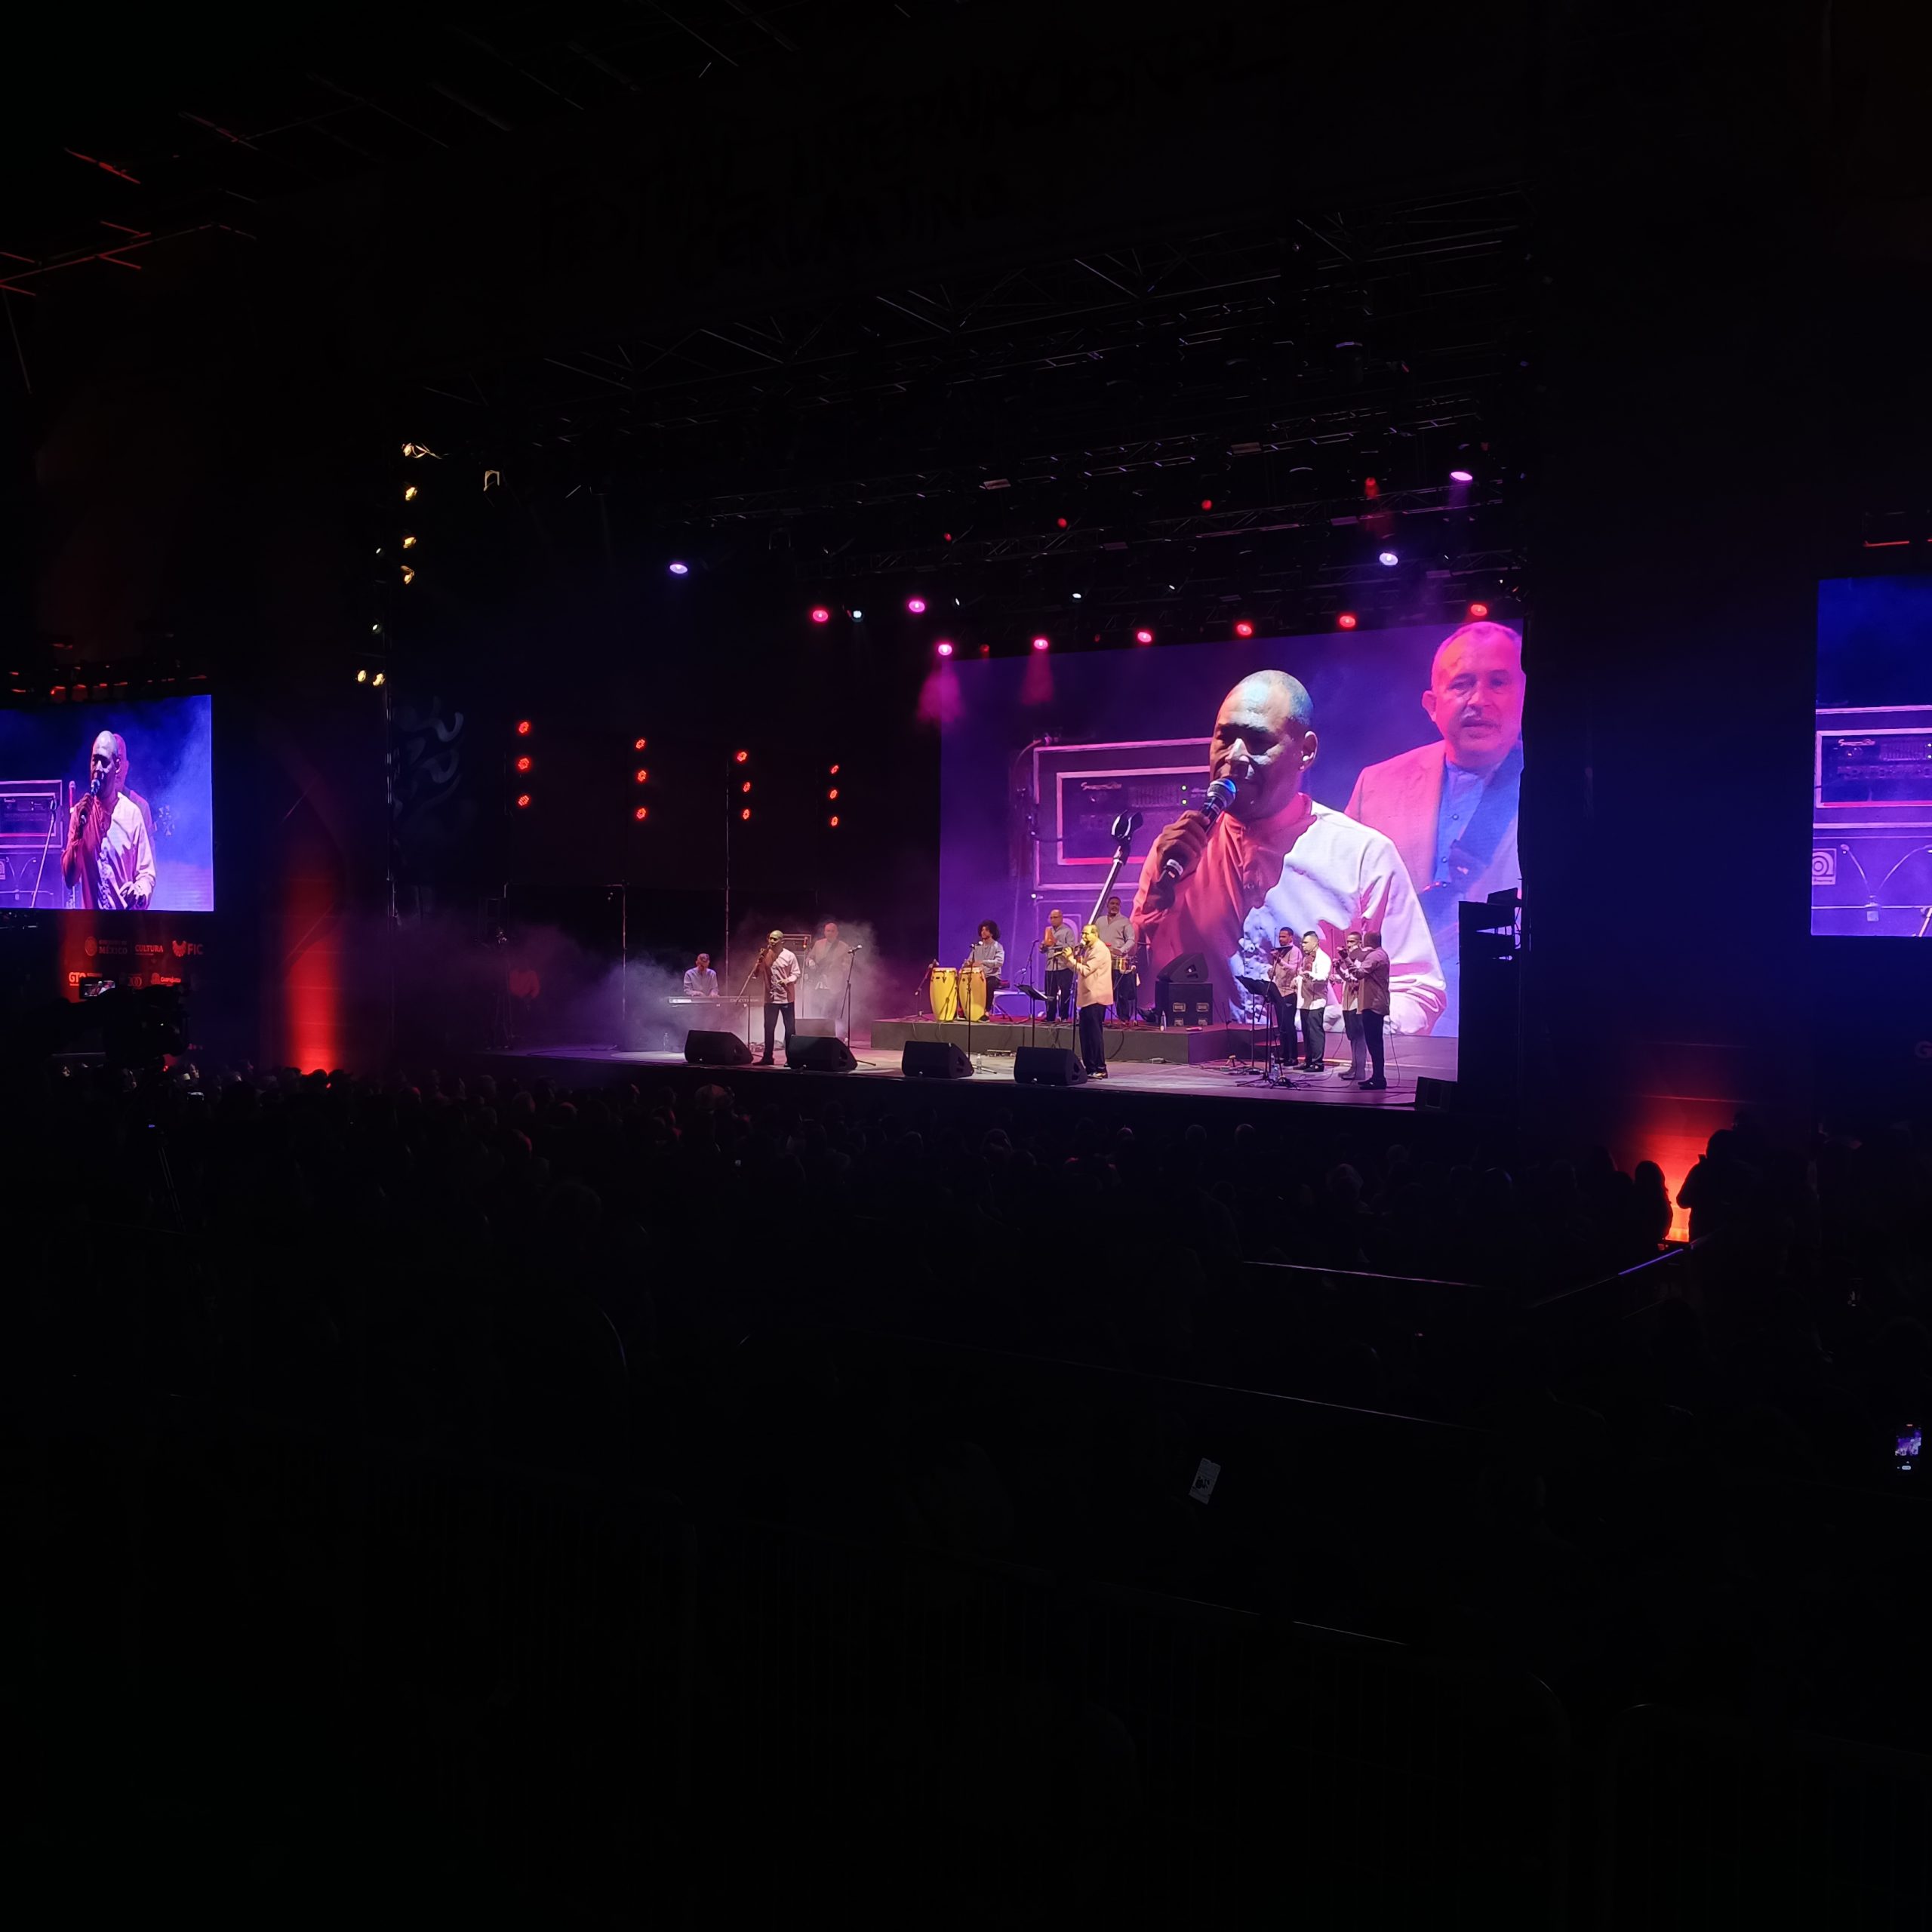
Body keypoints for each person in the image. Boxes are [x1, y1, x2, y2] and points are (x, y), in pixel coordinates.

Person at [1131, 671, 1444, 1035]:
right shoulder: (1178, 855)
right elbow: (1144, 996)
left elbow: (1417, 992)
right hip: (1204, 1080)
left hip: (1318, 1082)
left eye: (1257, 741)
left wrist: (1330, 1029)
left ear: (1306, 752)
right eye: (1225, 737)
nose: (1234, 756)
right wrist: (1158, 902)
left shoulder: (1362, 855)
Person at [1345, 621, 1524, 1026]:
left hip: (1508, 1007)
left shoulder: (1560, 783)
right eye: (1461, 684)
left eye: (1498, 682)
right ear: (1432, 704)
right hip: (1398, 1010)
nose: (1479, 700)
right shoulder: (1376, 784)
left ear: (1526, 694)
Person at [62, 729, 156, 912]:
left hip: (126, 927)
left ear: (118, 766)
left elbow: (147, 874)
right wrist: (78, 833)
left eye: (104, 762)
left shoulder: (132, 813)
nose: (97, 769)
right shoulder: (80, 814)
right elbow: (69, 879)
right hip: (91, 931)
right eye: (94, 760)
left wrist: (139, 891)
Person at [1337, 928, 1391, 1089]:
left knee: (1374, 1043)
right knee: (1373, 1043)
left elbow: (1359, 974)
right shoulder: (1377, 955)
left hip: (1373, 1004)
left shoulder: (1376, 956)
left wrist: (1346, 959)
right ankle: (1377, 1076)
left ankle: (1379, 1078)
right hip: (1370, 1003)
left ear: (1368, 942)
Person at [1073, 923, 1114, 1078]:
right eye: (1083, 934)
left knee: (1095, 1035)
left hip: (1096, 997)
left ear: (1095, 934)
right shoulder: (1089, 949)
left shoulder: (1100, 950)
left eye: (1086, 934)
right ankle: (1090, 1067)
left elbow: (1086, 970)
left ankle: (1100, 1068)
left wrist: (1070, 959)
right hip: (1087, 998)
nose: (1083, 937)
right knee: (1085, 1035)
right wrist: (1072, 959)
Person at [755, 929, 800, 1064]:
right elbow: (756, 974)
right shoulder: (765, 954)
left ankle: (791, 1058)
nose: (772, 941)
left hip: (786, 998)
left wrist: (787, 980)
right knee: (769, 1028)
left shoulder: (790, 956)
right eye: (770, 939)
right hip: (770, 998)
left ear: (782, 941)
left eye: (775, 939)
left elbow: (796, 974)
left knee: (790, 1029)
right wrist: (759, 961)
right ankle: (768, 1057)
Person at [1095, 894, 1138, 1022]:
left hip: (1118, 962)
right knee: (1102, 992)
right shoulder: (1100, 921)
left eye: (1117, 904)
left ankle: (1123, 1020)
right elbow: (1094, 938)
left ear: (1120, 907)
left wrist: (1121, 950)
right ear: (1107, 905)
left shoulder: (1125, 921)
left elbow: (1131, 939)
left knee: (1121, 993)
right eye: (1112, 904)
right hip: (1102, 962)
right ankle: (1099, 1019)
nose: (1114, 906)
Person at [802, 920, 854, 1020]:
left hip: (833, 983)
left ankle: (829, 1032)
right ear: (824, 932)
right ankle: (815, 1031)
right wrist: (810, 962)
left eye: (832, 931)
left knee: (830, 1011)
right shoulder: (818, 944)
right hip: (817, 982)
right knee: (816, 1008)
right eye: (828, 931)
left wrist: (837, 967)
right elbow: (809, 957)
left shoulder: (844, 946)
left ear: (837, 933)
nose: (830, 933)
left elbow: (848, 965)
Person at [1295, 928, 1331, 1072]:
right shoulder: (1306, 959)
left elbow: (1323, 977)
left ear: (1315, 943)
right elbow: (1302, 975)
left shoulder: (1324, 959)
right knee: (1306, 1032)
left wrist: (1310, 975)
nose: (1303, 945)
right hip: (1305, 1001)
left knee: (1315, 1032)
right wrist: (1296, 979)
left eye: (1305, 943)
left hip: (1316, 1001)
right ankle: (1308, 1060)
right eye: (1302, 943)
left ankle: (1318, 1062)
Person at [1336, 931, 1368, 1082]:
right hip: (1347, 1004)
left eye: (1352, 942)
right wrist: (1338, 971)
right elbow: (1348, 979)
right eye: (1347, 942)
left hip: (1357, 1004)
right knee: (1352, 1038)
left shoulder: (1361, 959)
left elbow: (1356, 979)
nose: (1349, 945)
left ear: (1360, 942)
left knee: (1358, 1038)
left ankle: (1360, 1069)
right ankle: (1354, 1066)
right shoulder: (1350, 959)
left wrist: (1345, 963)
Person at [1265, 926, 1302, 1060]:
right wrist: (1271, 968)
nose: (1281, 939)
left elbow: (1293, 970)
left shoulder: (1295, 951)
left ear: (1291, 938)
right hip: (1278, 992)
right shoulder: (1279, 952)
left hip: (1290, 993)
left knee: (1289, 1025)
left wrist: (1280, 961)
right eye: (1280, 937)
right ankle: (1284, 1054)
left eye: (1284, 936)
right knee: (1281, 1027)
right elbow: (1274, 973)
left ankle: (1293, 1056)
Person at [1041, 908, 1076, 1021]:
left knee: (1065, 992)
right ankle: (1050, 1016)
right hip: (1050, 966)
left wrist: (1056, 942)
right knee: (1050, 993)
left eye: (1055, 917)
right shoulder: (1049, 931)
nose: (1052, 920)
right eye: (1051, 918)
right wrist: (1043, 948)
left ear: (1061, 918)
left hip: (1064, 966)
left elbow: (1071, 948)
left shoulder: (1067, 931)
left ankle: (1063, 1017)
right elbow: (1046, 948)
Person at [966, 921, 1005, 1002]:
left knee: (989, 984)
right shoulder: (977, 947)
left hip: (991, 976)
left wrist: (983, 962)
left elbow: (999, 962)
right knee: (964, 982)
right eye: (982, 930)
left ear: (992, 933)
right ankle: (966, 1009)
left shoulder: (998, 946)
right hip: (977, 976)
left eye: (986, 930)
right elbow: (970, 960)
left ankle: (987, 1010)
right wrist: (967, 964)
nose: (983, 932)